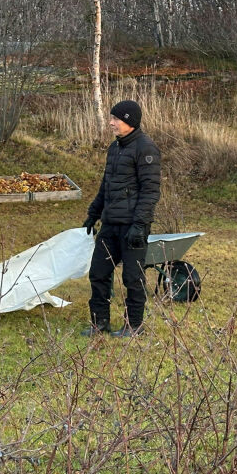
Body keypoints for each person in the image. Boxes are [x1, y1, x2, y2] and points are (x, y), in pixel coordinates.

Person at [81, 100, 161, 337]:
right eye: (111, 118)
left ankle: (133, 326)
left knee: (132, 278)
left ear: (130, 121)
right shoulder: (114, 148)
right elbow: (106, 187)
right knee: (98, 273)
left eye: (116, 119)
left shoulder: (146, 149)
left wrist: (139, 225)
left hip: (133, 227)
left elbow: (150, 191)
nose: (111, 123)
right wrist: (93, 214)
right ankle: (100, 322)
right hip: (110, 224)